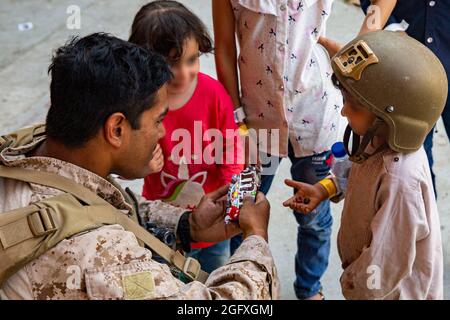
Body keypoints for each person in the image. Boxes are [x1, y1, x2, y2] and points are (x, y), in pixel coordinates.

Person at [0, 33, 279, 300]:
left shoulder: (31, 147)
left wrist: (186, 226)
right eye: (158, 121)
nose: (162, 134)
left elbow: (97, 206)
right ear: (117, 129)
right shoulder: (98, 254)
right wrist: (256, 237)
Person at [283, 30, 447, 299]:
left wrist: (352, 286)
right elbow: (356, 170)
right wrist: (324, 189)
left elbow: (383, 266)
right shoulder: (378, 138)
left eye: (354, 105)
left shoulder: (400, 180)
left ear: (391, 119)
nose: (344, 110)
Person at [213, 0, 343, 300]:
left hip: (315, 118)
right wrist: (235, 116)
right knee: (240, 212)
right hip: (256, 121)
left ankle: (309, 289)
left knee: (314, 216)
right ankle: (240, 289)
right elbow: (224, 46)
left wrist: (369, 29)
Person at [129, 1, 244, 273]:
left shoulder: (213, 94)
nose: (183, 73)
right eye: (170, 64)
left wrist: (230, 198)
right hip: (162, 220)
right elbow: (123, 160)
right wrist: (143, 163)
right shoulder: (138, 101)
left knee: (209, 277)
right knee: (166, 278)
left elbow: (231, 149)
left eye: (191, 60)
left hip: (211, 222)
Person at [322, 0, 450, 195]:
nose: (343, 111)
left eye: (352, 105)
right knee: (408, 155)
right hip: (403, 75)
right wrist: (392, 28)